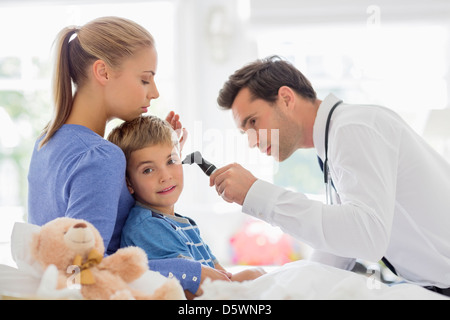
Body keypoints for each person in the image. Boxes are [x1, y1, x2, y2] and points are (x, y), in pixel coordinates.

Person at [209, 55, 450, 296]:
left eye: (253, 121)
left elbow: (366, 235)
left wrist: (257, 193)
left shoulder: (353, 129)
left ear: (286, 98)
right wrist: (268, 281)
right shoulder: (336, 140)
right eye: (244, 132)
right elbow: (339, 252)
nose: (252, 141)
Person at [27, 16, 201, 294]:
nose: (154, 93)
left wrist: (160, 155)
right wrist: (196, 274)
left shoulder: (45, 144)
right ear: (103, 72)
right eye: (145, 79)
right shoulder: (101, 157)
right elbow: (81, 267)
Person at [107, 115, 265, 298]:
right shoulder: (146, 226)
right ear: (129, 183)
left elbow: (222, 274)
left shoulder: (184, 223)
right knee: (257, 277)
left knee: (257, 275)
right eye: (148, 170)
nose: (165, 176)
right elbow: (187, 292)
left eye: (171, 161)